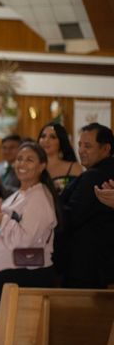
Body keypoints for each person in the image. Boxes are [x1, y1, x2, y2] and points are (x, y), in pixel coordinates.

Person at [0, 142, 60, 325]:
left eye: (29, 159)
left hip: (25, 275)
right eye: (19, 159)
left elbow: (24, 242)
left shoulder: (39, 197)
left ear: (42, 166)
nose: (22, 164)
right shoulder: (16, 196)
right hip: (7, 274)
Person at [60, 123, 114, 288]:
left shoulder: (95, 176)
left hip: (89, 266)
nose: (81, 150)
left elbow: (70, 216)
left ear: (105, 149)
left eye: (88, 146)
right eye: (80, 145)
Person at [38, 123, 82, 194]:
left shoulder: (74, 167)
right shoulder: (33, 167)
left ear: (61, 141)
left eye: (52, 137)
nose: (46, 140)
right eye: (43, 136)